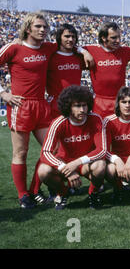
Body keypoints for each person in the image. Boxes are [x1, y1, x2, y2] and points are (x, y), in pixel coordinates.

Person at [0, 12, 90, 208]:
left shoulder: (49, 48)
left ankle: (38, 189)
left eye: (45, 27)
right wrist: (3, 93)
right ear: (28, 28)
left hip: (42, 106)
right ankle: (24, 196)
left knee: (52, 150)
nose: (42, 30)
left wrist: (84, 50)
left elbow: (69, 43)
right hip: (20, 106)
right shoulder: (14, 48)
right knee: (21, 153)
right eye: (38, 27)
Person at [28, 23, 85, 200]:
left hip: (74, 109)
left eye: (73, 36)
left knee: (66, 150)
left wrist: (84, 50)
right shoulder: (51, 56)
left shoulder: (79, 56)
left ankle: (60, 186)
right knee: (51, 150)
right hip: (55, 108)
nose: (70, 39)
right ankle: (34, 189)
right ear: (59, 37)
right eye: (67, 36)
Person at [38, 85, 107, 210]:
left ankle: (93, 194)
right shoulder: (58, 122)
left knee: (100, 165)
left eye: (84, 105)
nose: (82, 110)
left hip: (85, 164)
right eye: (77, 106)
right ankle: (63, 192)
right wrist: (65, 168)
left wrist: (77, 163)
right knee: (43, 171)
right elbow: (45, 152)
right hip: (65, 163)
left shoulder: (95, 119)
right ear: (68, 107)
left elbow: (102, 150)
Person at [82, 22, 130, 118]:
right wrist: (83, 52)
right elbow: (71, 47)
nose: (118, 40)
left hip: (120, 101)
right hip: (100, 103)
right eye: (114, 38)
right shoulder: (92, 50)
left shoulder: (124, 51)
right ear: (103, 38)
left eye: (119, 37)